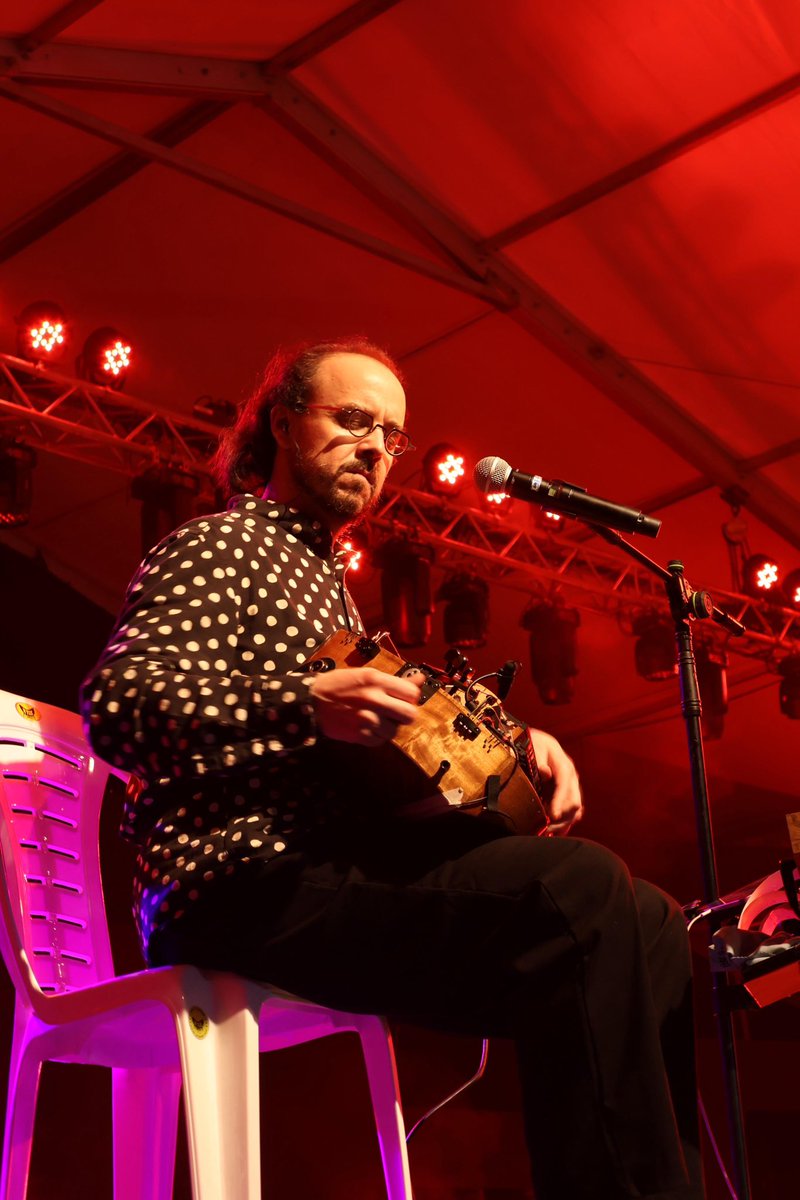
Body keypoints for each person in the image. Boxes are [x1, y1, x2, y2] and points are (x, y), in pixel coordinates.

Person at [81, 337, 704, 1200]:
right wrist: (305, 704)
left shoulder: (327, 584)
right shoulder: (219, 547)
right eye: (352, 419)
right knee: (583, 891)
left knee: (652, 921)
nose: (375, 447)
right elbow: (118, 704)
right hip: (240, 878)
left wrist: (521, 745)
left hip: (331, 873)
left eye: (391, 435)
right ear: (283, 422)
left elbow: (393, 736)